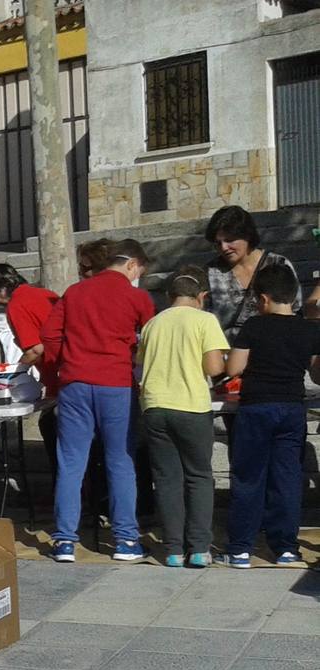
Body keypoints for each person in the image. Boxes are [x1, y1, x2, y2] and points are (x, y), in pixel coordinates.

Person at [42, 239, 156, 563]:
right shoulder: (137, 296)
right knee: (120, 460)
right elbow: (151, 336)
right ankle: (126, 540)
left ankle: (64, 541)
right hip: (117, 383)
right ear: (132, 265)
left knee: (71, 462)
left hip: (75, 383)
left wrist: (63, 365)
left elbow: (50, 334)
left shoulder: (75, 292)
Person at [218, 266, 320, 568]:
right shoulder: (309, 329)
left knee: (249, 477)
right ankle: (286, 547)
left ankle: (240, 548)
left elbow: (233, 368)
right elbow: (316, 371)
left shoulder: (254, 326)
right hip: (291, 408)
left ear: (263, 298)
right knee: (287, 479)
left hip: (256, 408)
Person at [137, 266, 228, 569]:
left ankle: (173, 549)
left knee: (166, 479)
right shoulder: (205, 320)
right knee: (199, 476)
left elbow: (141, 362)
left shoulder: (152, 324)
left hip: (154, 406)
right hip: (191, 405)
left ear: (169, 296)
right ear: (202, 296)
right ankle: (200, 548)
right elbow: (215, 367)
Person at [0, 263, 60, 476]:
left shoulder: (17, 305)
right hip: (73, 373)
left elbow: (35, 349)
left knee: (53, 433)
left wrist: (16, 370)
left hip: (59, 378)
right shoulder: (45, 294)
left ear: (1, 289)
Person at [204, 205, 302, 339]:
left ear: (247, 235)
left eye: (230, 240)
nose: (224, 247)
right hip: (227, 353)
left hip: (271, 349)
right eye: (218, 243)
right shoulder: (210, 273)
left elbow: (295, 309)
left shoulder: (278, 264)